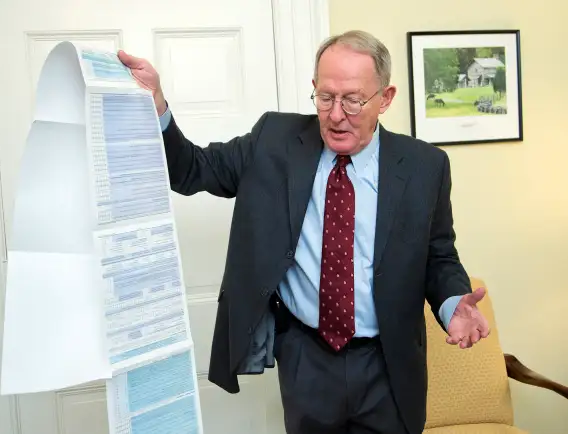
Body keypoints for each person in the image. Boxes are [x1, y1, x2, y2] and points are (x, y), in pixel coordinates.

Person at [118, 30, 490, 434]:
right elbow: (191, 169)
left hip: (389, 362)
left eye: (352, 99)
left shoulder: (425, 166)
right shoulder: (273, 141)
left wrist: (453, 304)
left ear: (385, 98)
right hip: (307, 358)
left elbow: (438, 255)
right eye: (325, 97)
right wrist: (156, 106)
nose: (335, 115)